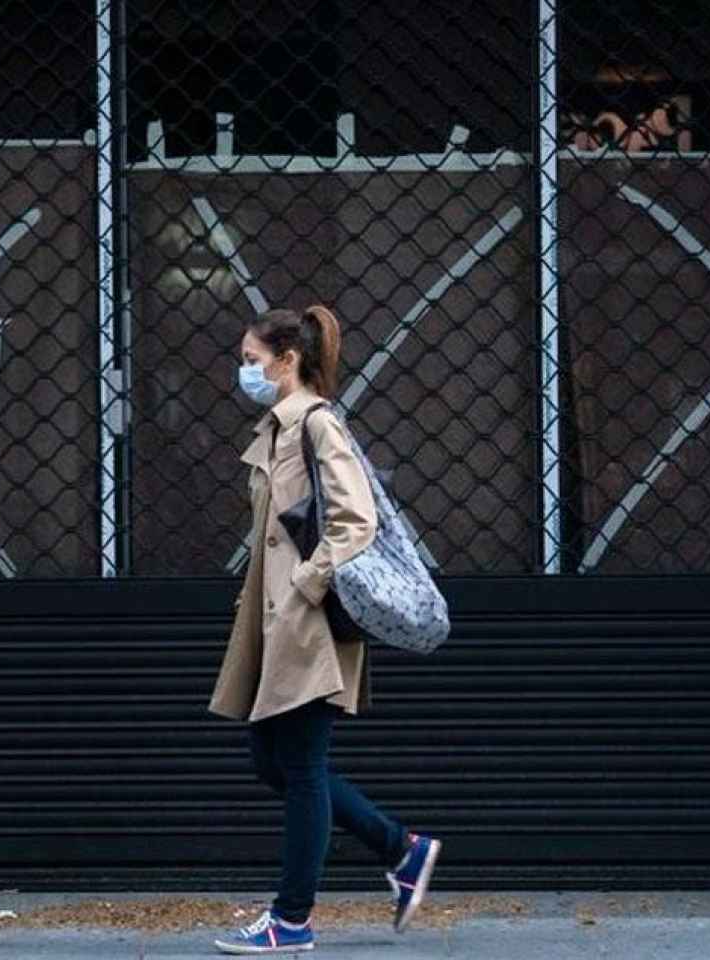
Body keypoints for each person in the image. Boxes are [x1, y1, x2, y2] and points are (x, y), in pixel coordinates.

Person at [208, 305, 442, 955]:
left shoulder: (317, 426)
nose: (244, 371)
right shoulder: (282, 428)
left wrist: (305, 585)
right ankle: (401, 848)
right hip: (278, 622)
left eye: (253, 360)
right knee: (272, 761)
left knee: (303, 767)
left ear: (288, 361)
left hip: (308, 625)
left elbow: (355, 521)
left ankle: (292, 919)